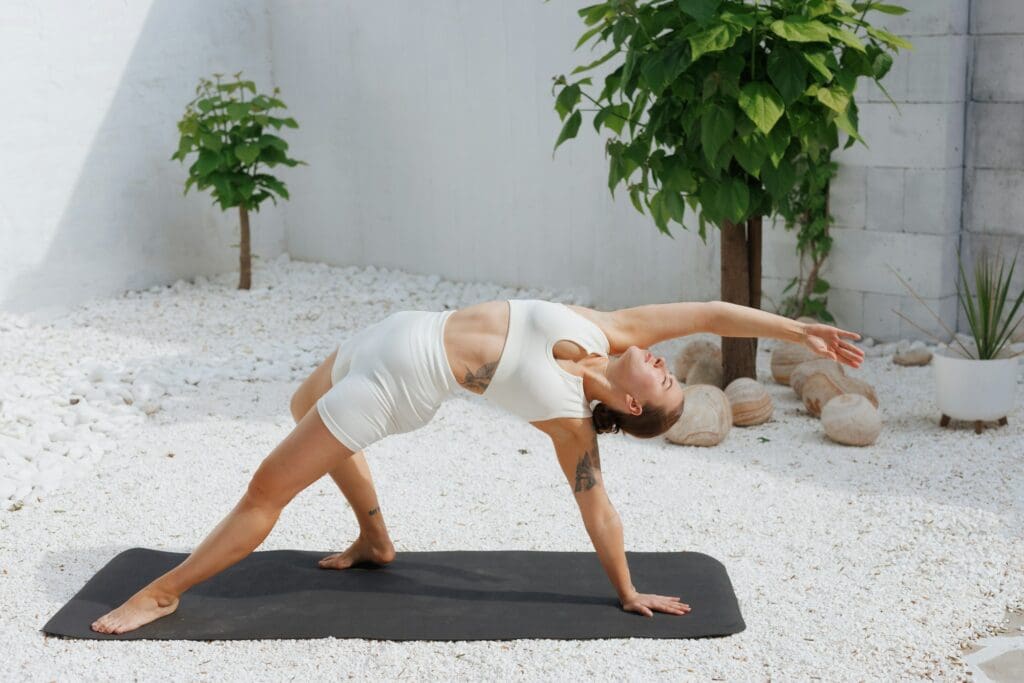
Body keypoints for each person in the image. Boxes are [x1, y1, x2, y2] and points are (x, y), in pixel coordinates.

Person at [91, 298, 863, 634]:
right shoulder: (610, 328)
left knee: (267, 488)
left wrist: (626, 589)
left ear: (632, 407)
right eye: (668, 368)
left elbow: (598, 508)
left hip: (389, 386)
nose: (661, 361)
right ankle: (374, 539)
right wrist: (795, 327)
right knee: (300, 409)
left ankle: (162, 594)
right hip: (387, 334)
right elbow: (712, 313)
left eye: (661, 379)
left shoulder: (570, 423)